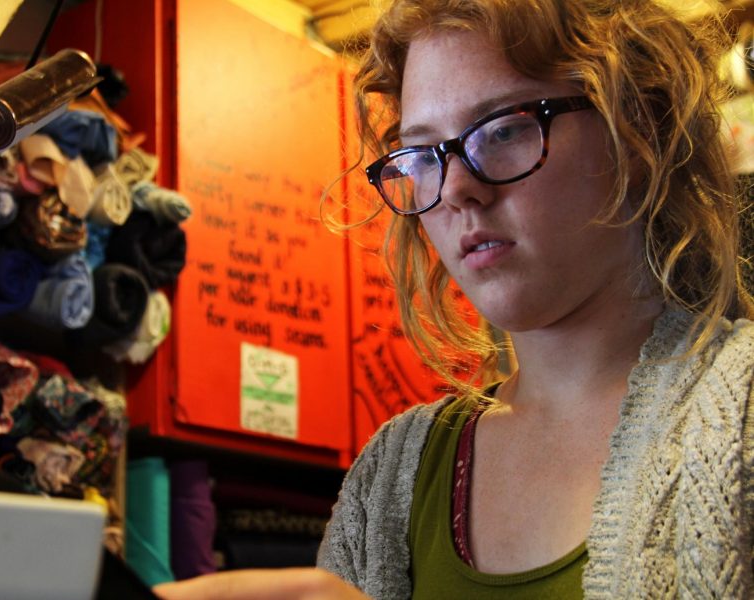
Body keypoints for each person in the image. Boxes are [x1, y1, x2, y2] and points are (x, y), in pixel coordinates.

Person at [154, 0, 754, 598]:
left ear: (639, 131)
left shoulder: (740, 415)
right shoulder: (388, 477)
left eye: (506, 129)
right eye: (422, 155)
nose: (458, 190)